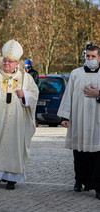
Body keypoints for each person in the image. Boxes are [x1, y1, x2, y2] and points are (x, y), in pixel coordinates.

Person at [0, 40, 39, 190]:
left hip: (18, 121)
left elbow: (35, 94)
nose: (6, 64)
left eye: (10, 61)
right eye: (5, 60)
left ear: (17, 63)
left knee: (13, 147)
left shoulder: (25, 78)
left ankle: (12, 179)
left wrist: (25, 95)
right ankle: (0, 175)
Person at [57, 45, 100, 200]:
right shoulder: (76, 74)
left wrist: (98, 94)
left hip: (97, 122)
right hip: (79, 120)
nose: (90, 59)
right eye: (88, 56)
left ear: (99, 58)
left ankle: (97, 186)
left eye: (93, 57)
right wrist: (65, 117)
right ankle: (79, 181)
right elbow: (68, 95)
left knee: (97, 155)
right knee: (80, 154)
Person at [24, 59, 39, 126]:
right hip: (25, 92)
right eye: (26, 65)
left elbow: (36, 82)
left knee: (33, 106)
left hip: (32, 92)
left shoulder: (34, 72)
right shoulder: (23, 72)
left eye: (28, 65)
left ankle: (34, 120)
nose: (27, 66)